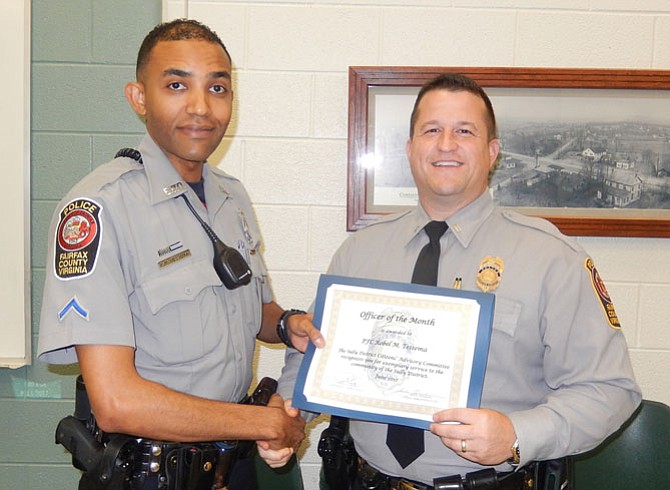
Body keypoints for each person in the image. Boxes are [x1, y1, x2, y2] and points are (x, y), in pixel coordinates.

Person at [278, 73, 642, 489]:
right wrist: (288, 412)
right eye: (431, 130)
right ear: (410, 148)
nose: (446, 144)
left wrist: (517, 435)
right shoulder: (359, 252)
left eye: (464, 131)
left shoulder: (552, 258)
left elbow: (610, 390)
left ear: (492, 153)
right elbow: (312, 352)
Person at [37, 18, 323, 490]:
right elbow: (115, 401)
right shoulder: (99, 210)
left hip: (233, 469)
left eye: (217, 87)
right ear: (139, 97)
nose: (201, 107)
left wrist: (285, 324)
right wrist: (263, 425)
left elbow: (248, 311)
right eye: (176, 85)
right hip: (149, 475)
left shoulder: (231, 197)